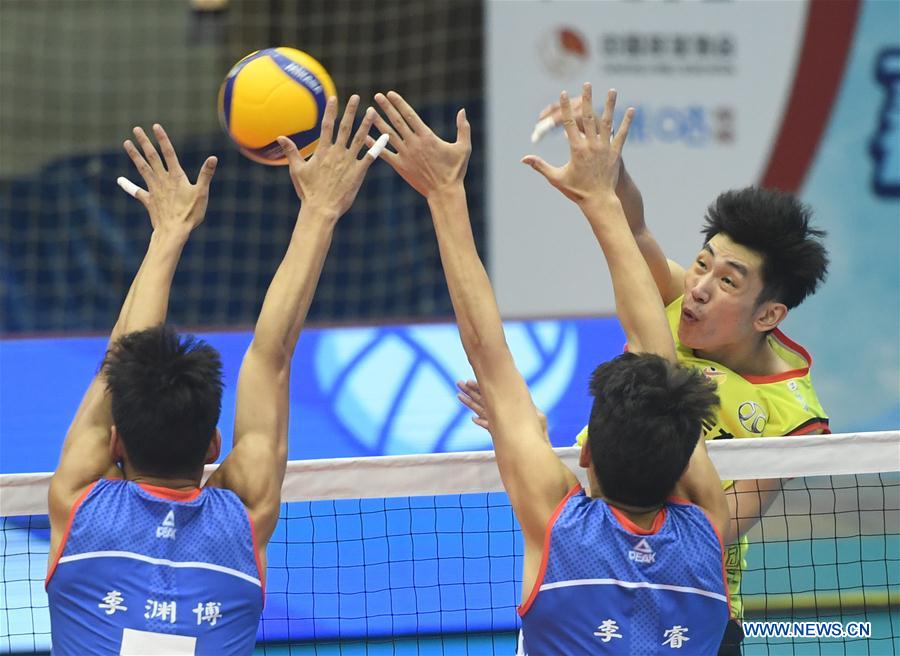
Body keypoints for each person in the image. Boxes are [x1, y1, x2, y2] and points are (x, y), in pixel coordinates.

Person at [460, 94, 832, 653]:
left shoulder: (796, 416)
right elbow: (631, 232)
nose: (700, 289)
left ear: (770, 314)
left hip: (698, 596)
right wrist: (607, 170)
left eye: (728, 281)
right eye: (703, 263)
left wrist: (528, 438)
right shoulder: (678, 297)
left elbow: (722, 526)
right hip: (599, 548)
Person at [371, 85, 730, 653]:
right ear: (684, 454)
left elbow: (487, 349)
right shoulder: (709, 528)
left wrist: (444, 192)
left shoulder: (563, 527)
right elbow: (655, 353)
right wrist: (600, 199)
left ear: (583, 454)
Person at [45, 97, 378, 654]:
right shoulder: (243, 517)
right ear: (213, 445)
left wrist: (168, 234)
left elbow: (119, 360)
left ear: (114, 442)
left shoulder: (79, 503)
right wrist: (319, 211)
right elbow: (272, 357)